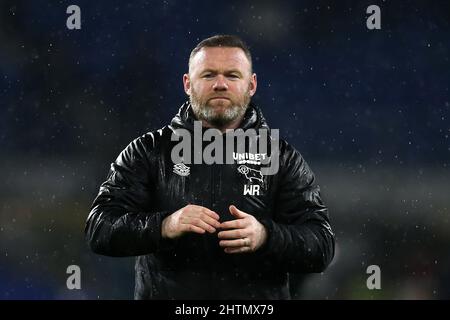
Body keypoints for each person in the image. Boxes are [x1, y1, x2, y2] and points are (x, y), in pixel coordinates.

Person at [85, 34, 335, 299]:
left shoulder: (282, 158)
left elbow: (321, 246)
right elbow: (99, 229)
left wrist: (266, 236)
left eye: (232, 75)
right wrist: (165, 225)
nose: (220, 84)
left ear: (251, 85)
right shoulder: (148, 153)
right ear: (187, 84)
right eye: (208, 75)